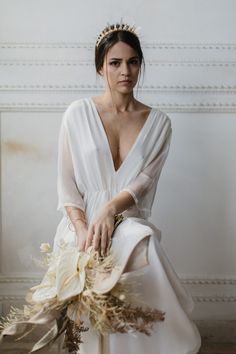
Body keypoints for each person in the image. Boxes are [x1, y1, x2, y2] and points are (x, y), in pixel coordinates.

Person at [52, 21, 202, 354]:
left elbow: (144, 182)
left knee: (139, 241)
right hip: (82, 224)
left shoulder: (159, 123)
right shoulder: (77, 114)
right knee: (91, 257)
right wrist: (82, 229)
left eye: (133, 61)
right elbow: (67, 187)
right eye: (115, 63)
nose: (125, 71)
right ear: (100, 68)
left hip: (128, 220)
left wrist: (109, 210)